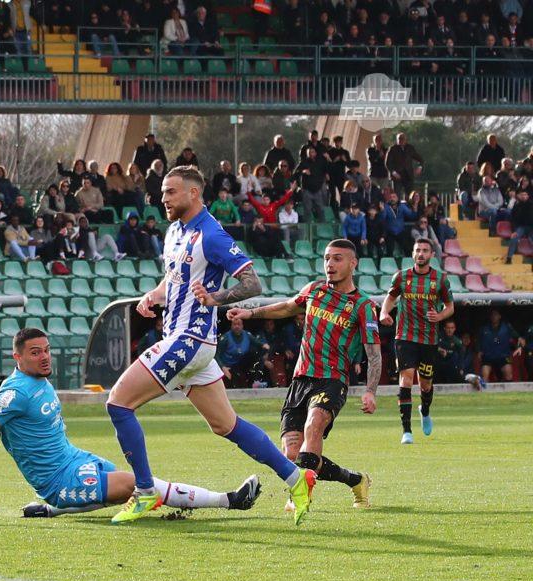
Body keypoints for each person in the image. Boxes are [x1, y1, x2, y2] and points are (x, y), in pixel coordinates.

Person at [104, 165, 312, 526]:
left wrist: (216, 298)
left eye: (171, 192)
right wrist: (153, 296)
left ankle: (146, 491)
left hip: (190, 340)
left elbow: (252, 283)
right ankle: (296, 478)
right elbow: (173, 278)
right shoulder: (174, 231)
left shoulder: (212, 234)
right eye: (163, 192)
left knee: (118, 403)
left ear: (193, 193)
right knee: (225, 424)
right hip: (188, 343)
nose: (163, 199)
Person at [0, 327, 261, 517]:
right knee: (137, 484)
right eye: (35, 353)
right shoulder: (15, 394)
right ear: (17, 357)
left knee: (123, 481)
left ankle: (52, 510)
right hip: (58, 481)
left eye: (47, 350)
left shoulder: (39, 379)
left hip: (76, 460)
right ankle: (229, 500)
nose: (45, 357)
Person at [228, 239, 379, 513]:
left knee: (314, 425)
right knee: (294, 455)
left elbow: (374, 352)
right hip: (300, 380)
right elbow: (287, 307)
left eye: (337, 258)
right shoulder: (314, 290)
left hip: (332, 380)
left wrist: (370, 390)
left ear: (353, 263)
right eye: (327, 258)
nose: (330, 264)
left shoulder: (363, 305)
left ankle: (299, 496)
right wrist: (249, 313)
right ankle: (356, 480)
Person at [379, 238, 454, 444]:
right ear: (413, 254)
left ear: (432, 255)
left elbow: (450, 306)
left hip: (429, 338)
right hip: (405, 336)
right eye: (417, 250)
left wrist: (440, 316)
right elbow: (391, 298)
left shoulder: (440, 279)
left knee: (425, 384)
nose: (421, 254)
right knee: (406, 379)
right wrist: (384, 312)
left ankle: (425, 410)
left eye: (425, 250)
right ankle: (407, 431)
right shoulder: (401, 277)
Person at [217, 316, 267, 387]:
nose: (237, 326)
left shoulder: (247, 335)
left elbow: (260, 344)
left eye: (239, 324)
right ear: (231, 326)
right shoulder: (225, 338)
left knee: (254, 353)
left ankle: (256, 381)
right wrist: (223, 367)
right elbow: (216, 355)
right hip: (229, 366)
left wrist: (265, 349)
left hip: (241, 363)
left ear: (242, 326)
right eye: (234, 324)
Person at [477, 309, 516, 382]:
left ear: (499, 316)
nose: (494, 316)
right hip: (488, 357)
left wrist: (519, 340)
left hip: (503, 357)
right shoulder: (484, 328)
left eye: (496, 314)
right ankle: (485, 389)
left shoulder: (506, 327)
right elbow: (478, 340)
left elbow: (517, 336)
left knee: (508, 372)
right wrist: (479, 350)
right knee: (484, 375)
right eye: (492, 315)